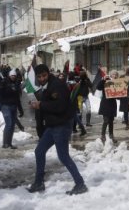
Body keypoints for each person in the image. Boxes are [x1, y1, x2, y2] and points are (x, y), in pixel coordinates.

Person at [27, 64, 88, 195]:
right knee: (39, 151)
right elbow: (46, 104)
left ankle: (80, 184)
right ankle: (39, 183)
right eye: (39, 76)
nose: (42, 78)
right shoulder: (46, 86)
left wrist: (41, 105)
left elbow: (60, 106)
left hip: (62, 124)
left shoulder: (57, 85)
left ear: (48, 74)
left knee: (63, 156)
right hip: (53, 125)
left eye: (44, 75)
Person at [0, 68, 22, 149]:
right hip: (5, 106)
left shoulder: (16, 84)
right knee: (9, 124)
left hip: (14, 106)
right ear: (9, 75)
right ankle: (5, 143)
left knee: (12, 125)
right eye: (12, 75)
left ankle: (9, 143)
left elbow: (17, 98)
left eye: (14, 75)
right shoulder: (4, 82)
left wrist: (20, 109)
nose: (13, 77)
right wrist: (3, 85)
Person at [97, 70, 119, 143]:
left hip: (112, 103)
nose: (114, 75)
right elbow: (98, 87)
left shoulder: (118, 82)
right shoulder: (106, 80)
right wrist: (103, 79)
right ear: (110, 75)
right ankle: (102, 135)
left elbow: (119, 94)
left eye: (116, 74)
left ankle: (111, 135)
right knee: (106, 120)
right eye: (113, 74)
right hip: (105, 103)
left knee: (111, 121)